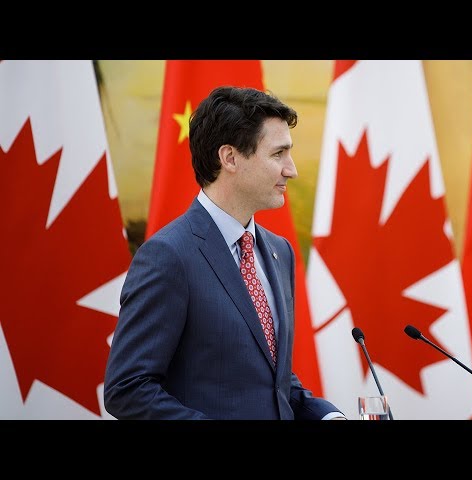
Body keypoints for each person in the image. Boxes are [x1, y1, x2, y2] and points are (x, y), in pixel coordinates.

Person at [104, 86, 345, 420]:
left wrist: (329, 417)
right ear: (230, 158)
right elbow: (127, 388)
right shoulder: (168, 256)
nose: (291, 170)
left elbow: (272, 382)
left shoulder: (280, 251)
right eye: (278, 154)